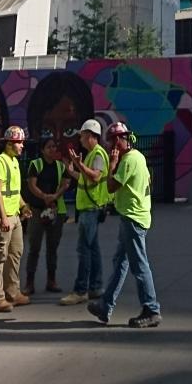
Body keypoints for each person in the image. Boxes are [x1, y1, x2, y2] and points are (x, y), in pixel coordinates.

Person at [87, 122, 162, 327]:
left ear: (121, 140)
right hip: (133, 216)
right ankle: (105, 305)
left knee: (139, 265)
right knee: (120, 262)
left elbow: (111, 186)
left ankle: (151, 309)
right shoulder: (138, 157)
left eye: (113, 142)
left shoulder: (128, 160)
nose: (112, 147)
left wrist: (112, 164)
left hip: (133, 218)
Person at [59, 118, 110, 305]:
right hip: (89, 207)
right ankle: (95, 287)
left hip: (91, 208)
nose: (80, 139)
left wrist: (79, 165)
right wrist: (72, 170)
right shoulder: (92, 154)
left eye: (82, 136)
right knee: (92, 249)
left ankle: (81, 290)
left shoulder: (97, 154)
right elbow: (86, 178)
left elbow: (95, 177)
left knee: (84, 250)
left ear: (90, 136)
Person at [0, 125, 32, 312]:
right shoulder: (0, 162)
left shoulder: (14, 162)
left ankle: (13, 292)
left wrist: (23, 206)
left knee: (15, 254)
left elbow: (13, 191)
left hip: (14, 215)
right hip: (1, 217)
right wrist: (3, 218)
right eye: (19, 142)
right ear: (9, 144)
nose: (22, 146)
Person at [23, 132, 69, 295]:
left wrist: (55, 196)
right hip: (37, 209)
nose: (52, 150)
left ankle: (51, 280)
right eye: (49, 147)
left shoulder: (60, 166)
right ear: (42, 150)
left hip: (55, 210)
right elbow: (32, 185)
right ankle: (29, 282)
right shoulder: (36, 165)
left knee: (52, 247)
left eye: (54, 147)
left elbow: (66, 183)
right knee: (34, 246)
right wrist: (44, 196)